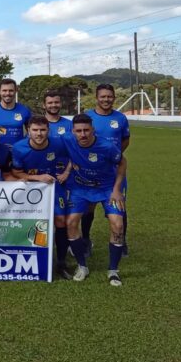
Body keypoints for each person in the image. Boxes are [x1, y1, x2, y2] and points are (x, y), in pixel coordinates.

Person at [62, 114, 127, 286]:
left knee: (118, 224)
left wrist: (116, 190)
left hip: (107, 189)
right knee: (70, 223)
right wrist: (68, 171)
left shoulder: (107, 147)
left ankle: (113, 270)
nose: (83, 134)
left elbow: (122, 162)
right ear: (72, 131)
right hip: (80, 188)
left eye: (86, 130)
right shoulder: (67, 140)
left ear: (93, 130)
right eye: (78, 131)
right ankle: (82, 266)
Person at [10, 116, 73, 279]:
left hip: (53, 186)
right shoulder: (19, 148)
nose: (39, 134)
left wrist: (66, 172)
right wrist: (38, 178)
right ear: (28, 131)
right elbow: (16, 172)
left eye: (43, 130)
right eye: (35, 130)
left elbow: (75, 155)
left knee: (61, 221)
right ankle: (27, 257)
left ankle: (61, 263)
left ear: (48, 131)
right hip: (31, 187)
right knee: (31, 222)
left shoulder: (58, 143)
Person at [82, 84, 132, 257]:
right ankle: (86, 240)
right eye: (103, 96)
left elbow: (125, 140)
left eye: (109, 96)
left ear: (114, 98)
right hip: (89, 172)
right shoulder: (87, 116)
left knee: (119, 205)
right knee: (88, 207)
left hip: (113, 172)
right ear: (96, 97)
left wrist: (114, 155)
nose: (106, 99)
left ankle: (122, 240)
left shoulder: (121, 118)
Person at [0, 78, 31, 150]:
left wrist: (24, 143)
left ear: (16, 91)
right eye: (4, 90)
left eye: (11, 90)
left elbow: (32, 131)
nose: (7, 93)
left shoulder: (24, 110)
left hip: (17, 152)